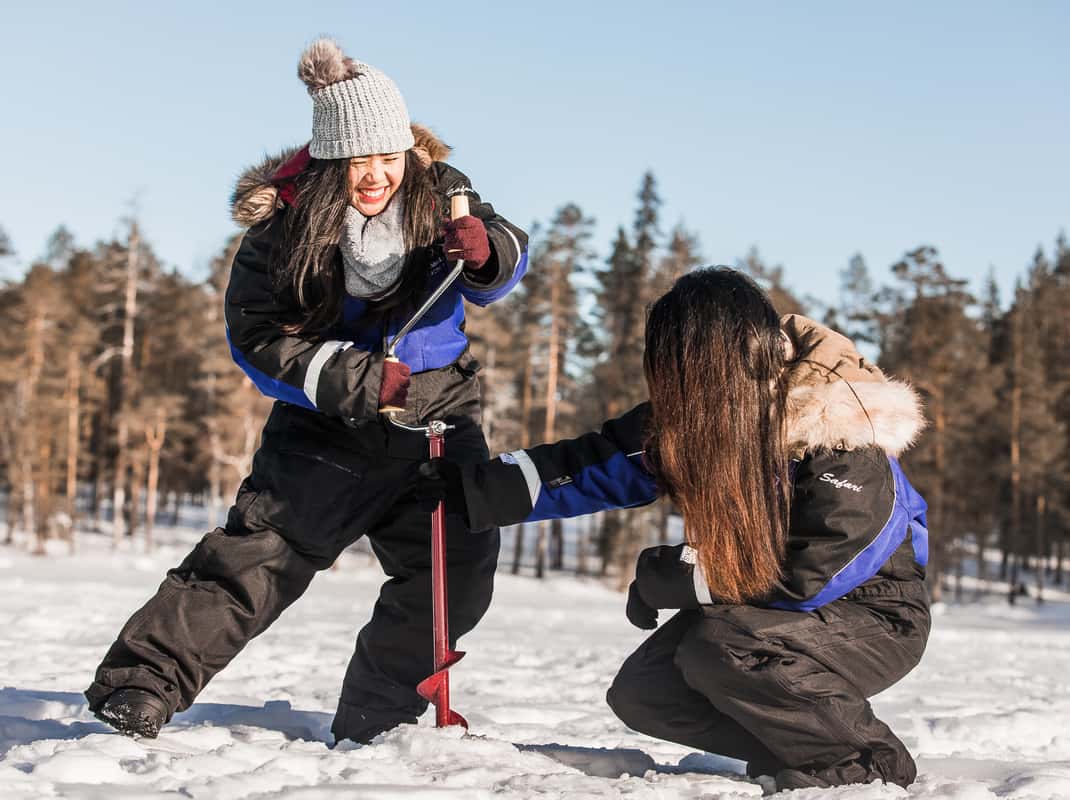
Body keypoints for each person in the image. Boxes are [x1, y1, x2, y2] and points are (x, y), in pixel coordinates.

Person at [85, 38, 528, 744]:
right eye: (360, 161)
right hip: (327, 427)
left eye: (389, 157)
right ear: (331, 161)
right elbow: (256, 338)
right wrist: (355, 378)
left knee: (454, 582)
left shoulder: (446, 191)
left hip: (439, 421)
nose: (377, 174)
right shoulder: (282, 229)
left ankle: (378, 719)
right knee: (256, 560)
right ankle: (142, 683)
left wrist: (487, 248)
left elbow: (502, 262)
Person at [419, 268, 930, 791]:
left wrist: (678, 578)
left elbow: (814, 573)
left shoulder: (842, 436)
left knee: (721, 647)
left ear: (732, 359)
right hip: (761, 609)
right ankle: (805, 750)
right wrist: (473, 488)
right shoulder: (710, 417)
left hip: (873, 614)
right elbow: (598, 465)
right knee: (647, 691)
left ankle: (868, 761)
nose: (677, 388)